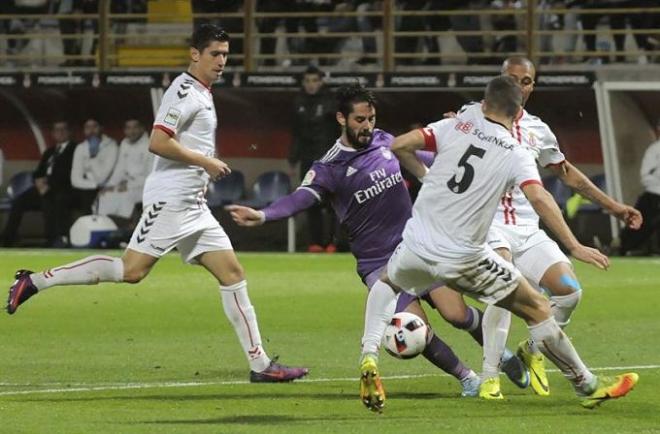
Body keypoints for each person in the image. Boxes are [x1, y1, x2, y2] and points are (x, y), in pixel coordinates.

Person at [6, 24, 308, 383]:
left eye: (226, 54)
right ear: (195, 54)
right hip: (171, 200)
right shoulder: (184, 93)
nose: (222, 61)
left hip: (193, 205)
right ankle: (37, 281)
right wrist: (206, 162)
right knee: (130, 271)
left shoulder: (202, 91)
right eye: (215, 54)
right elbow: (158, 142)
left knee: (233, 274)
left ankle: (261, 366)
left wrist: (202, 166)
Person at [227, 83, 529, 397]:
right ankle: (467, 378)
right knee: (413, 329)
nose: (367, 126)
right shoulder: (330, 166)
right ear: (341, 119)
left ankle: (500, 354)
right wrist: (263, 215)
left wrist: (461, 135)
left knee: (457, 314)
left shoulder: (387, 141)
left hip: (419, 247)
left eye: (371, 118)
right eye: (360, 120)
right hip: (379, 263)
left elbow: (438, 154)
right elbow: (300, 198)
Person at [359, 76, 638, 413]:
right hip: (464, 256)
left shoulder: (454, 125)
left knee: (388, 282)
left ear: (484, 101)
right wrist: (574, 245)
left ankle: (369, 356)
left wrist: (426, 175)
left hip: (417, 245)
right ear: (517, 110)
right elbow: (540, 197)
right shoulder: (515, 151)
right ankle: (587, 385)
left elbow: (399, 145)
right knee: (537, 308)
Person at [457, 56, 642, 399]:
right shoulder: (472, 114)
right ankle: (489, 377)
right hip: (488, 223)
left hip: (528, 228)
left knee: (570, 291)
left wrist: (614, 207)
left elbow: (567, 173)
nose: (519, 86)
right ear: (501, 80)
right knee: (505, 285)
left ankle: (533, 349)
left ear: (532, 86)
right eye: (512, 79)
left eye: (526, 81)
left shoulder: (537, 130)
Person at [288, 65, 340, 253]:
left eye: (314, 81)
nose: (311, 85)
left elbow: (340, 131)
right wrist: (293, 159)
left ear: (321, 82)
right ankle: (316, 243)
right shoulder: (298, 102)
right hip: (308, 160)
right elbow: (296, 133)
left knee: (334, 203)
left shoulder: (331, 102)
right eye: (307, 81)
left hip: (329, 160)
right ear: (303, 83)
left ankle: (333, 242)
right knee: (311, 201)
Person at [1, 121, 77, 247]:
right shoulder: (50, 151)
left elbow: (69, 173)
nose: (60, 132)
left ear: (69, 132)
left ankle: (51, 239)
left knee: (49, 200)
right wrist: (38, 181)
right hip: (42, 186)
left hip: (61, 188)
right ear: (53, 134)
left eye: (63, 129)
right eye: (57, 130)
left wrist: (48, 184)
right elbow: (38, 171)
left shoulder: (75, 149)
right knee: (19, 201)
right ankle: (8, 238)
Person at [96, 119, 153, 228]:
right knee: (105, 195)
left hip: (144, 186)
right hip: (125, 184)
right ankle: (104, 227)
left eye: (135, 127)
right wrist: (110, 186)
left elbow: (150, 175)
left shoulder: (150, 144)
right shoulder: (124, 143)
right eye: (128, 128)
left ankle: (125, 229)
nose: (131, 131)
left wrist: (128, 185)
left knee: (125, 196)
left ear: (142, 128)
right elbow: (119, 169)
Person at [620, 119, 660, 255]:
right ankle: (624, 247)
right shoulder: (655, 150)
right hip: (654, 194)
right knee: (641, 222)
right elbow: (645, 176)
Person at [70, 118, 119, 215]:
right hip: (89, 187)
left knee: (92, 196)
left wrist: (93, 157)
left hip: (109, 186)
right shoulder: (80, 148)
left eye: (94, 126)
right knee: (82, 195)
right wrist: (95, 185)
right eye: (88, 127)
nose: (91, 130)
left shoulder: (111, 146)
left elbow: (102, 177)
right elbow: (75, 179)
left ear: (101, 128)